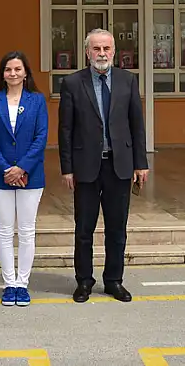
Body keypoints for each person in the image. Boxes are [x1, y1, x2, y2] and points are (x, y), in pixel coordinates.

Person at [58, 28, 149, 304]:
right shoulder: (73, 83)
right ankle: (84, 281)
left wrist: (140, 163)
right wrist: (67, 168)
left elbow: (137, 125)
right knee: (84, 229)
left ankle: (114, 281)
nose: (101, 54)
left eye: (106, 49)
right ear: (87, 52)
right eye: (96, 49)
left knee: (116, 228)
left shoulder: (127, 81)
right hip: (86, 167)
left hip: (119, 166)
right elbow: (65, 129)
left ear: (113, 51)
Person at [0, 51, 48, 307]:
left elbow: (41, 137)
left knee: (27, 231)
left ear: (26, 72)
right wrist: (7, 169)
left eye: (17, 69)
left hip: (31, 175)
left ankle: (23, 283)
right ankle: (9, 284)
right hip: (0, 176)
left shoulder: (37, 100)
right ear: (3, 73)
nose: (13, 74)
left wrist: (22, 168)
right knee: (5, 230)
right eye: (8, 69)